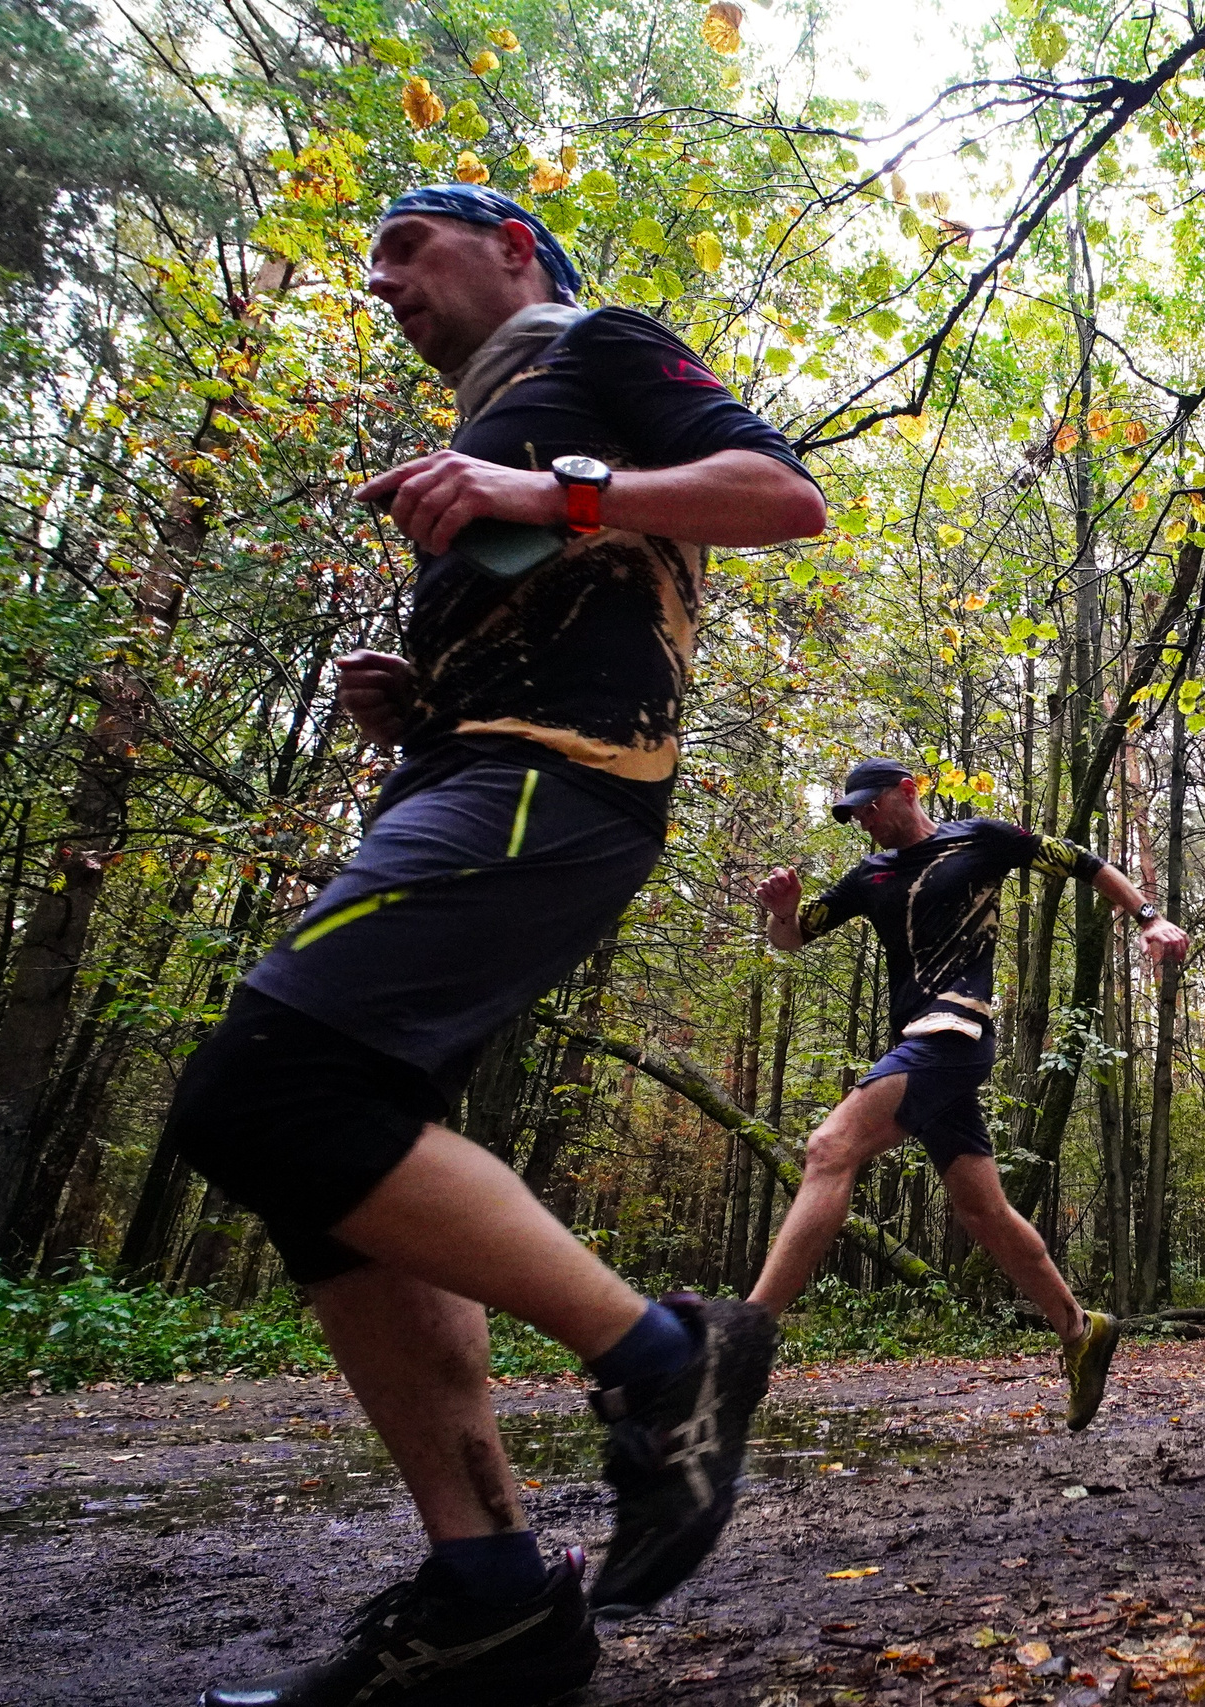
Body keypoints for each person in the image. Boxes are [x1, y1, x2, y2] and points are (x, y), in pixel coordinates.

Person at [160, 185, 826, 1706]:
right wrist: (423, 686)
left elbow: (784, 498)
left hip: (566, 779)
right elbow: (555, 590)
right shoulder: (488, 426)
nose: (381, 278)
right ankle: (490, 1591)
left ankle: (670, 1357)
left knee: (259, 1094)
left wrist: (553, 494)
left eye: (407, 244)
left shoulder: (595, 345)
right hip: (473, 767)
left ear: (513, 247)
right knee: (334, 1170)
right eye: (373, 259)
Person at [749, 758, 1189, 1428]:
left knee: (829, 1146)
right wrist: (780, 914)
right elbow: (792, 937)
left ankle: (747, 1338)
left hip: (953, 1032)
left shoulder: (979, 838)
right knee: (982, 1210)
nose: (864, 820)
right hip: (916, 1044)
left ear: (908, 791)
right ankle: (1079, 1328)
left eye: (871, 806)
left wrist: (1147, 917)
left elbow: (1081, 861)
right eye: (853, 813)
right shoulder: (868, 878)